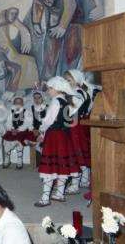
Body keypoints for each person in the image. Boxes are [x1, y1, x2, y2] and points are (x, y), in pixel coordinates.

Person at [34, 76, 79, 207]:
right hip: (64, 136)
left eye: (50, 88)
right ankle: (59, 193)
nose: (48, 91)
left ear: (57, 88)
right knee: (61, 164)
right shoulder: (66, 101)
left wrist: (41, 132)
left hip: (54, 136)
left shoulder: (55, 101)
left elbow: (48, 120)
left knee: (50, 166)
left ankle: (45, 198)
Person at [64, 69, 93, 194]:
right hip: (74, 125)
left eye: (69, 80)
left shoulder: (78, 93)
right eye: (65, 80)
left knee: (75, 152)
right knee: (78, 151)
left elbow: (72, 109)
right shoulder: (74, 92)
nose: (66, 82)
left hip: (75, 127)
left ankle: (76, 183)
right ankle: (84, 179)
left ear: (77, 81)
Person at [1, 96, 36, 169]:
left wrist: (19, 129)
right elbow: (8, 122)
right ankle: (7, 158)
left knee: (19, 140)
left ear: (23, 104)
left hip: (22, 131)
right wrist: (11, 129)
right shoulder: (10, 112)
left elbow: (28, 123)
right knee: (7, 140)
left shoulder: (26, 112)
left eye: (20, 102)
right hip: (12, 130)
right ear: (13, 103)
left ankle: (19, 159)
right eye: (16, 102)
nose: (18, 104)